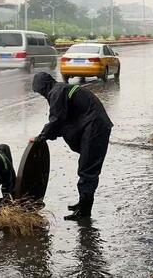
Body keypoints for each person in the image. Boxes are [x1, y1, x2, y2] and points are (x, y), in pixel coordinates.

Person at [31, 72, 112, 221]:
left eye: (39, 91)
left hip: (95, 128)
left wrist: (41, 137)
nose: (41, 95)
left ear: (44, 86)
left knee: (87, 170)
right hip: (94, 125)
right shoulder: (60, 90)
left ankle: (84, 212)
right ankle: (83, 203)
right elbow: (64, 121)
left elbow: (56, 120)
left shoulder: (57, 92)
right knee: (85, 167)